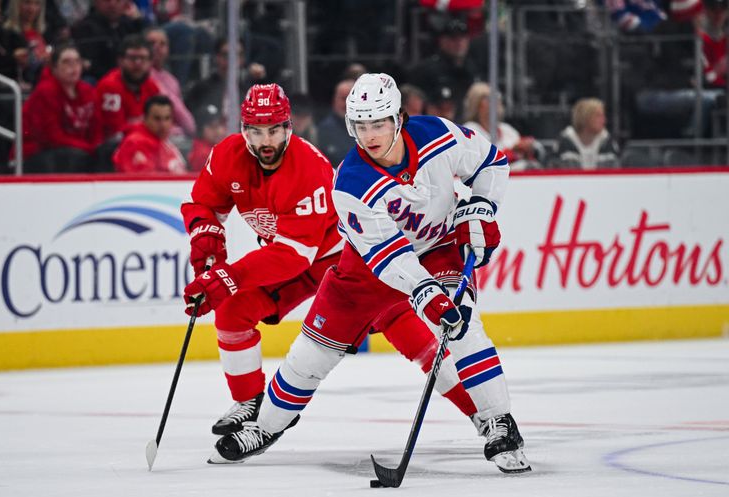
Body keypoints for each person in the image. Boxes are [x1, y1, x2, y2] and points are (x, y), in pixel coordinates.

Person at [211, 73, 531, 475]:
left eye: (378, 123)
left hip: (439, 249)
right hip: (366, 269)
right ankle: (266, 426)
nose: (369, 135)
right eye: (360, 125)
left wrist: (481, 207)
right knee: (311, 354)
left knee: (462, 324)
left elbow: (490, 163)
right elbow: (388, 256)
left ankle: (497, 421)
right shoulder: (350, 183)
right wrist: (424, 291)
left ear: (399, 118)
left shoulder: (438, 134)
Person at [180, 83, 479, 437]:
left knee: (418, 343)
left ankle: (483, 415)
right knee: (233, 312)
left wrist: (226, 278)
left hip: (350, 262)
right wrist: (205, 234)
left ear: (289, 127)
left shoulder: (308, 167)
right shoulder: (227, 156)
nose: (265, 140)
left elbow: (293, 256)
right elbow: (203, 203)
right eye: (255, 130)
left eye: (274, 129)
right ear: (242, 129)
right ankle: (250, 404)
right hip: (294, 260)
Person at [21, 42, 103, 173]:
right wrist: (89, 148)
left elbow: (96, 129)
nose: (73, 67)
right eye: (66, 62)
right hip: (38, 153)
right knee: (76, 157)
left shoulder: (89, 91)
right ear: (54, 68)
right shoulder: (45, 92)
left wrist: (96, 148)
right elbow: (52, 137)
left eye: (77, 61)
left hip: (78, 150)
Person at [462, 82, 542, 170]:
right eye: (487, 98)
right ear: (476, 104)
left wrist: (527, 147)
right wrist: (512, 152)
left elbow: (528, 154)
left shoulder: (507, 130)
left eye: (497, 97)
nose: (495, 101)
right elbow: (481, 163)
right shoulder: (469, 130)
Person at [95, 33, 160, 141]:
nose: (138, 63)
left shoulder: (152, 87)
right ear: (120, 61)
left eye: (143, 58)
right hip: (113, 146)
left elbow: (159, 122)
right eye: (132, 58)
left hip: (143, 140)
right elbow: (115, 131)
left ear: (150, 62)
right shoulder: (109, 86)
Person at [70, 0, 147, 82]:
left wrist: (138, 23)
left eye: (117, 1)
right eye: (107, 0)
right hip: (101, 79)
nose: (112, 4)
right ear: (96, 3)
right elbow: (92, 65)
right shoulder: (86, 28)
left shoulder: (128, 24)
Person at [112, 94, 187, 173]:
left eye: (167, 118)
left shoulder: (165, 142)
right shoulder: (134, 143)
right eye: (157, 119)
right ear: (145, 118)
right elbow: (145, 182)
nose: (163, 124)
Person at [145, 26, 195, 138]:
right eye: (151, 43)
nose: (157, 47)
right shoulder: (140, 76)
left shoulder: (172, 80)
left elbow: (181, 118)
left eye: (162, 44)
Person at [551, 97, 620, 169]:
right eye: (598, 116)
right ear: (585, 117)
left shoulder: (609, 143)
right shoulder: (564, 143)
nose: (604, 120)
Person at [315, 78, 355, 167]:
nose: (347, 104)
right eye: (343, 98)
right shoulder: (323, 130)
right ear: (334, 100)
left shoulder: (369, 129)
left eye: (351, 99)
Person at [188, 103, 226, 173]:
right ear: (200, 129)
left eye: (220, 125)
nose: (219, 131)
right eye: (212, 126)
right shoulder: (203, 154)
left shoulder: (213, 147)